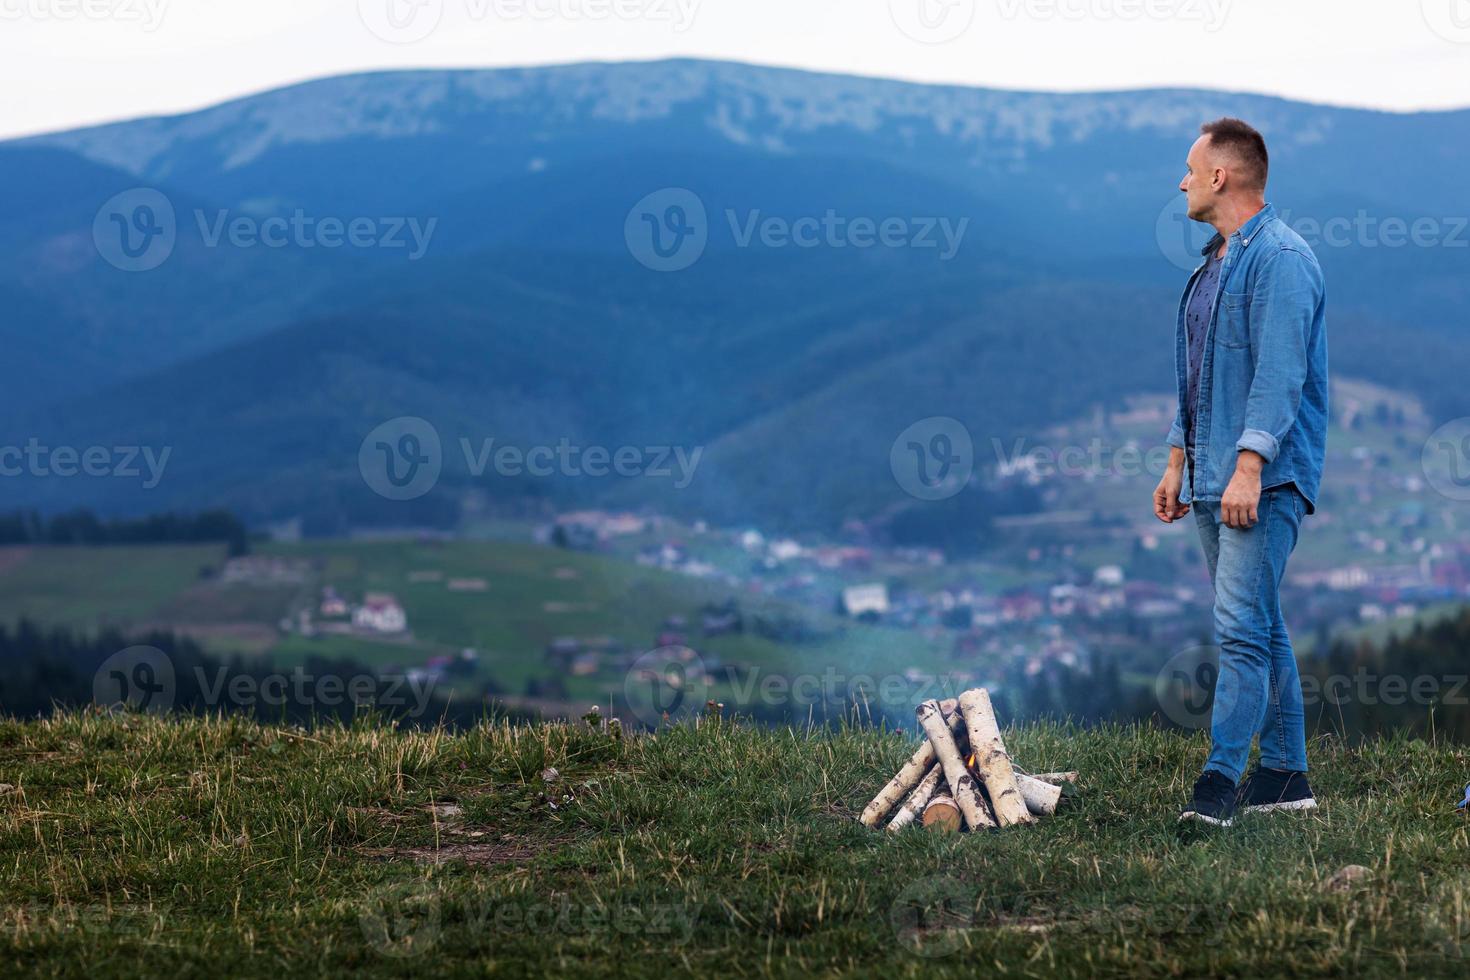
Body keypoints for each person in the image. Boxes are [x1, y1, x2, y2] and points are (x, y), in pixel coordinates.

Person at [1153, 117, 1330, 827]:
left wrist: (1250, 467)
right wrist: (1177, 459)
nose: (1182, 180)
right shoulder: (1215, 261)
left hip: (1262, 477)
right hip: (1210, 474)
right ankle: (1286, 775)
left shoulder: (1281, 260)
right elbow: (1202, 378)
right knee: (1259, 622)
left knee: (1238, 632)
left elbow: (1280, 377)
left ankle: (1218, 786)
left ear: (1221, 176)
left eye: (1191, 169)